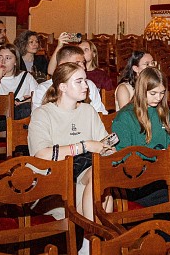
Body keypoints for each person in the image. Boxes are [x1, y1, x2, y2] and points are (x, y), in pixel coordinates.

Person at [28, 62, 114, 223]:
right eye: (79, 81)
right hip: (52, 180)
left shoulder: (88, 110)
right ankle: (94, 234)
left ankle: (94, 235)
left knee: (100, 174)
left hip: (81, 176)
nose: (86, 86)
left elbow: (107, 147)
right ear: (63, 87)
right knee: (100, 189)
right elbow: (42, 155)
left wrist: (106, 151)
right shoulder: (43, 113)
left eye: (85, 81)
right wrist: (85, 146)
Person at [111, 67, 170, 218]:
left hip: (168, 175)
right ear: (141, 91)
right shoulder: (125, 117)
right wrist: (156, 159)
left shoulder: (164, 113)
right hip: (142, 180)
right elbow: (123, 156)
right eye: (153, 93)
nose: (158, 98)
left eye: (162, 93)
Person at [32, 45, 107, 114]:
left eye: (83, 63)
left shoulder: (88, 85)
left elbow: (100, 113)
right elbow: (38, 119)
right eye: (77, 63)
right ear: (62, 65)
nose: (83, 67)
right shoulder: (43, 89)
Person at [0, 43, 38, 119]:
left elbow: (40, 98)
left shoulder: (26, 77)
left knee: (28, 108)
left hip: (23, 119)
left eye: (8, 58)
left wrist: (29, 100)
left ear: (15, 62)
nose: (3, 62)